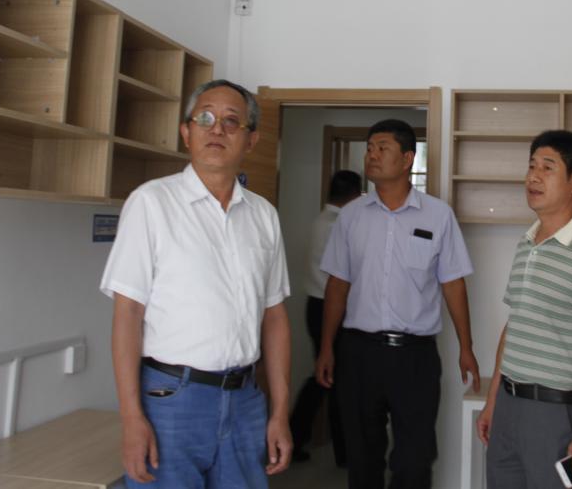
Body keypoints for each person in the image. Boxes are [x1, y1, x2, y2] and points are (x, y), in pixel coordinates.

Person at [100, 79, 292, 489]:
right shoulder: (151, 203)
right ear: (186, 132)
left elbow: (274, 317)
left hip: (245, 400)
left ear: (251, 140)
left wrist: (279, 412)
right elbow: (127, 314)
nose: (216, 128)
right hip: (171, 400)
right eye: (204, 118)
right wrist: (131, 418)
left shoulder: (263, 216)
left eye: (231, 121)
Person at [315, 118, 480, 489]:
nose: (372, 155)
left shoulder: (438, 215)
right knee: (362, 457)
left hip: (415, 357)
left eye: (382, 148)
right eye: (369, 148)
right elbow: (338, 284)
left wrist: (466, 348)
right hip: (359, 353)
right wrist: (327, 347)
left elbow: (453, 284)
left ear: (407, 159)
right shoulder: (351, 215)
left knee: (415, 459)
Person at [477, 130, 572, 489]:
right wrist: (493, 400)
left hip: (557, 413)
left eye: (547, 167)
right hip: (509, 404)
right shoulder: (527, 242)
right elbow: (515, 326)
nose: (533, 176)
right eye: (531, 166)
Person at [289, 169, 362, 465]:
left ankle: (307, 440)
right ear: (354, 195)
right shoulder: (337, 225)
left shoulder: (321, 220)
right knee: (331, 378)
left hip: (316, 307)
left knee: (329, 378)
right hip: (330, 308)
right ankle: (327, 447)